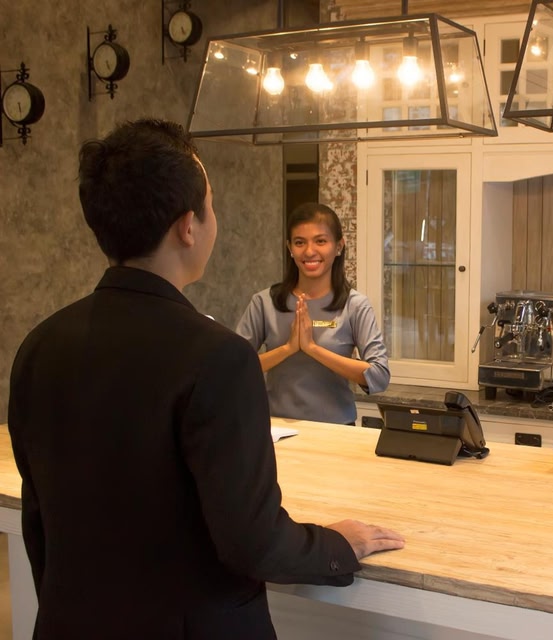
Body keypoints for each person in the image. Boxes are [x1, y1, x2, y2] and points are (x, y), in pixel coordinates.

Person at [7, 119, 404, 639]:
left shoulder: (39, 347)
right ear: (188, 227)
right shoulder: (218, 357)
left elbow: (40, 523)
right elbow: (252, 541)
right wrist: (335, 547)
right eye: (211, 206)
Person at [236, 203, 389, 425]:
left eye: (320, 241)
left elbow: (379, 376)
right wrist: (288, 349)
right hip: (274, 427)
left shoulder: (355, 305)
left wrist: (312, 349)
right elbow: (234, 368)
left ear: (339, 246)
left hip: (336, 430)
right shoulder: (264, 302)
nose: (309, 251)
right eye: (300, 242)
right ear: (290, 248)